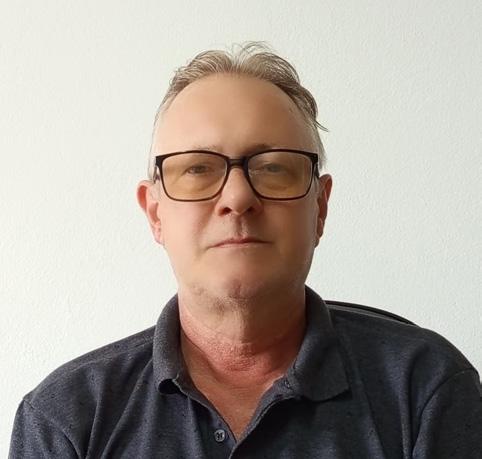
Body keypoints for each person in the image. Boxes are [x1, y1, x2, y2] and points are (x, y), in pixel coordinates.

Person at [9, 42, 482, 458]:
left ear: (319, 208)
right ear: (155, 213)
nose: (237, 198)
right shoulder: (65, 420)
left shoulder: (426, 389)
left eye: (273, 168)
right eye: (197, 169)